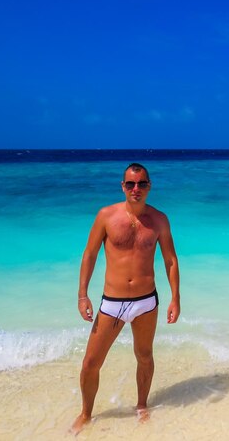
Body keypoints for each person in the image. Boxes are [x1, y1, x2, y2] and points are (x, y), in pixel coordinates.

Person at [71, 162, 180, 435]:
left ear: (149, 186)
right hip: (113, 303)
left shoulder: (159, 220)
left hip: (147, 302)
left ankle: (142, 405)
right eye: (130, 183)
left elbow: (170, 260)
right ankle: (86, 413)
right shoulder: (106, 216)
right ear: (122, 186)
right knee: (90, 363)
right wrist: (83, 295)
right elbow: (90, 254)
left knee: (144, 356)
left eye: (142, 183)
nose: (136, 189)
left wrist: (175, 298)